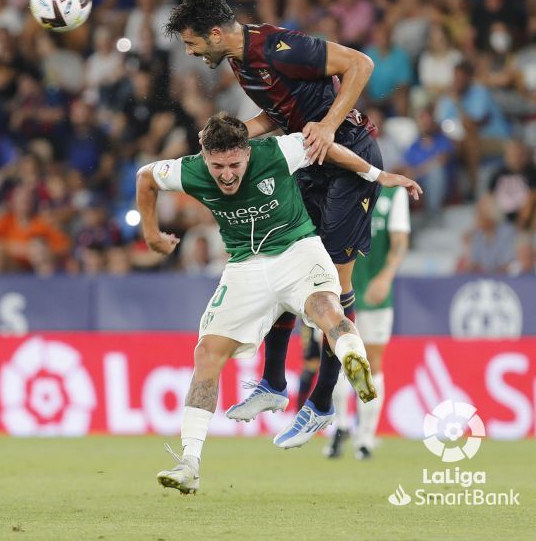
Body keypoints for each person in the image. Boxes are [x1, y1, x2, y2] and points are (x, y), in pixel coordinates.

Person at [139, 113, 421, 494]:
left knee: (326, 309)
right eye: (217, 166)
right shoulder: (188, 171)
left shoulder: (276, 151)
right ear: (204, 156)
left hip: (298, 251)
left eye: (235, 164)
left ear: (247, 153)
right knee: (206, 353)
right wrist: (151, 232)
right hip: (244, 267)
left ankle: (353, 361)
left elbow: (330, 149)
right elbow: (146, 177)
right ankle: (190, 463)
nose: (226, 174)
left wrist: (376, 175)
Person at [165, 0, 383, 430]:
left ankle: (321, 402)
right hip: (311, 159)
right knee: (286, 257)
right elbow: (281, 114)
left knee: (334, 282)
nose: (189, 52)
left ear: (213, 33)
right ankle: (273, 382)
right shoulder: (240, 60)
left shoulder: (278, 47)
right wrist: (234, 138)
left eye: (191, 43)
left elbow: (360, 63)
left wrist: (328, 123)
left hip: (347, 162)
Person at [325, 184, 410, 460]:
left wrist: (386, 277)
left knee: (372, 363)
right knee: (337, 360)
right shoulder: (333, 184)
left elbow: (399, 242)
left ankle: (365, 437)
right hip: (337, 292)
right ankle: (341, 428)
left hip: (374, 293)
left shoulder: (392, 194)